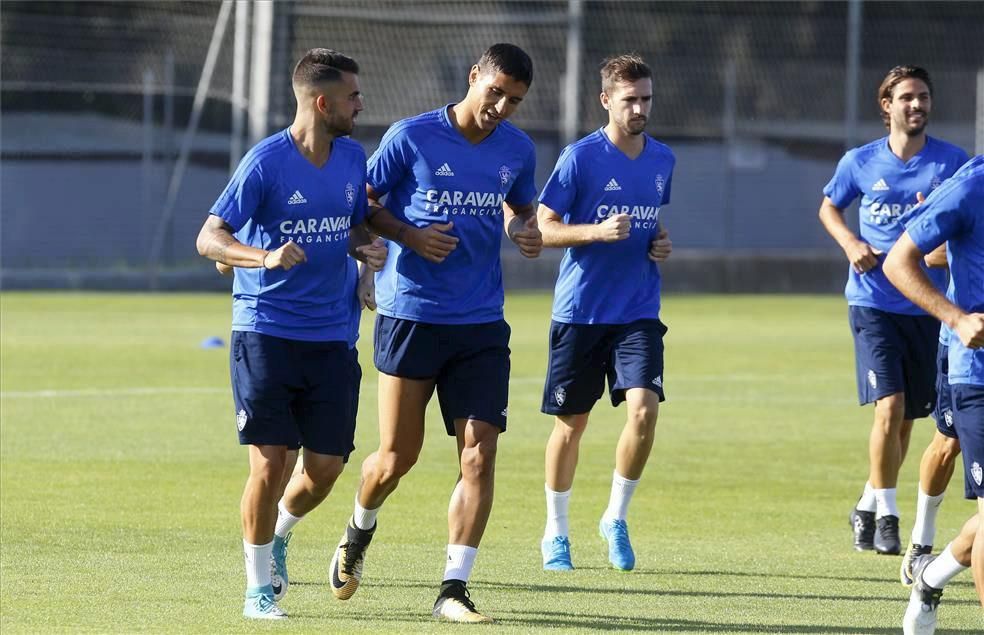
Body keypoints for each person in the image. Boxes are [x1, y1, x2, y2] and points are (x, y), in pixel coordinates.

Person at [326, 43, 541, 624]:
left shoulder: (518, 150)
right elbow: (362, 205)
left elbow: (521, 210)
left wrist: (525, 229)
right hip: (411, 314)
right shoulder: (411, 136)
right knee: (396, 457)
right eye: (494, 91)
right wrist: (408, 236)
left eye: (514, 100)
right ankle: (358, 529)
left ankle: (454, 586)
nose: (501, 106)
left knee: (480, 452)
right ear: (474, 77)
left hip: (480, 322)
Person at [195, 48, 386, 620]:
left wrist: (367, 253)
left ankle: (278, 535)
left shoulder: (353, 158)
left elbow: (352, 227)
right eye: (352, 95)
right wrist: (263, 256)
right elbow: (210, 239)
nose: (360, 104)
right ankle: (257, 590)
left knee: (325, 467)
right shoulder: (265, 163)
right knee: (269, 464)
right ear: (322, 102)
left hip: (332, 337)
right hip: (266, 333)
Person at [818, 65, 969, 555]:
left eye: (923, 96)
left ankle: (866, 501)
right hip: (873, 302)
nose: (916, 105)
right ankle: (887, 516)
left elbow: (964, 229)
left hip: (929, 306)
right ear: (887, 106)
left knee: (906, 421)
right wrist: (849, 242)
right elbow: (828, 207)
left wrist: (940, 249)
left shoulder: (953, 164)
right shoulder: (860, 162)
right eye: (906, 97)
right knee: (890, 408)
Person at [534, 54, 674, 572]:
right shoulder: (579, 158)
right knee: (571, 425)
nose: (639, 108)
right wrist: (593, 231)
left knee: (644, 409)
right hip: (581, 313)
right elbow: (542, 229)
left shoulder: (662, 160)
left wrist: (658, 241)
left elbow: (649, 224)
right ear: (606, 100)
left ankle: (615, 516)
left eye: (646, 99)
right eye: (630, 99)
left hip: (638, 310)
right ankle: (556, 531)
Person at [881, 154, 984, 633]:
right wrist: (958, 318)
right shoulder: (972, 185)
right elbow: (901, 259)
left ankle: (931, 577)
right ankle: (920, 541)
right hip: (977, 375)